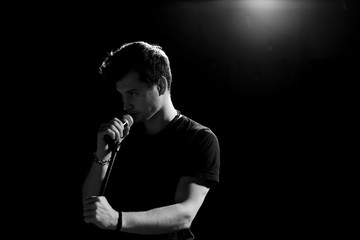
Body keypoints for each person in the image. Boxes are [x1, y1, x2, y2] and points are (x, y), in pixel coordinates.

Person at [82, 41, 220, 240]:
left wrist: (117, 220)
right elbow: (90, 208)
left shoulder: (199, 139)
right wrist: (102, 155)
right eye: (122, 95)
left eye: (133, 93)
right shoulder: (123, 134)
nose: (125, 104)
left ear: (161, 85)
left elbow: (184, 214)